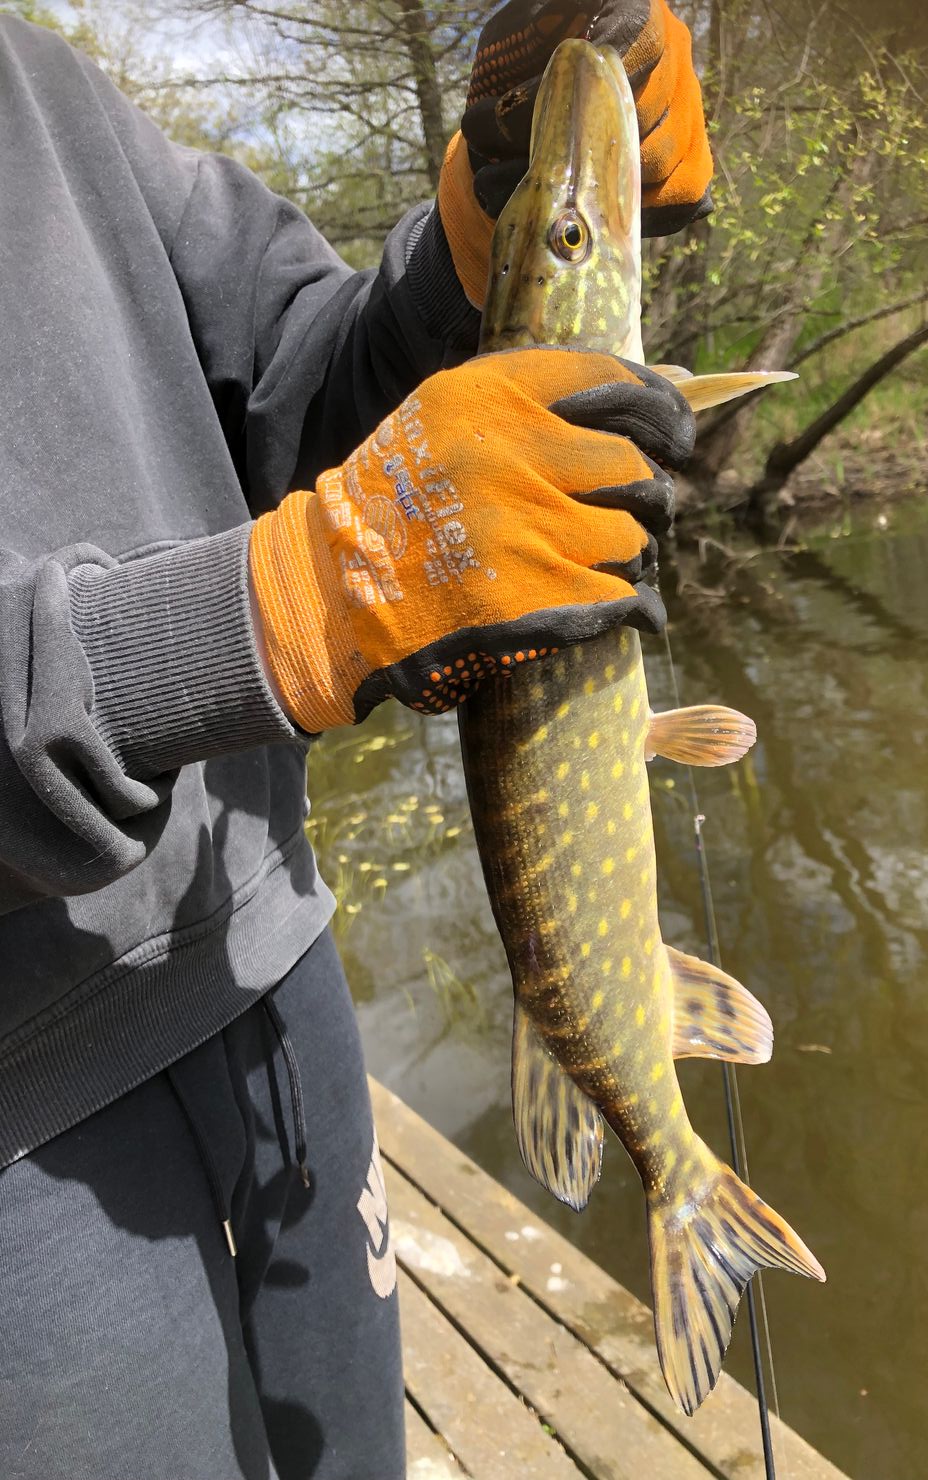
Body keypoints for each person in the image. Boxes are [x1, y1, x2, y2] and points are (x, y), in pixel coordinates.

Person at [0, 2, 712, 1476]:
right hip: (29, 1150)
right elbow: (307, 560)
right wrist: (286, 611)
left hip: (270, 967)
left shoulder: (36, 82)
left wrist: (478, 234)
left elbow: (294, 375)